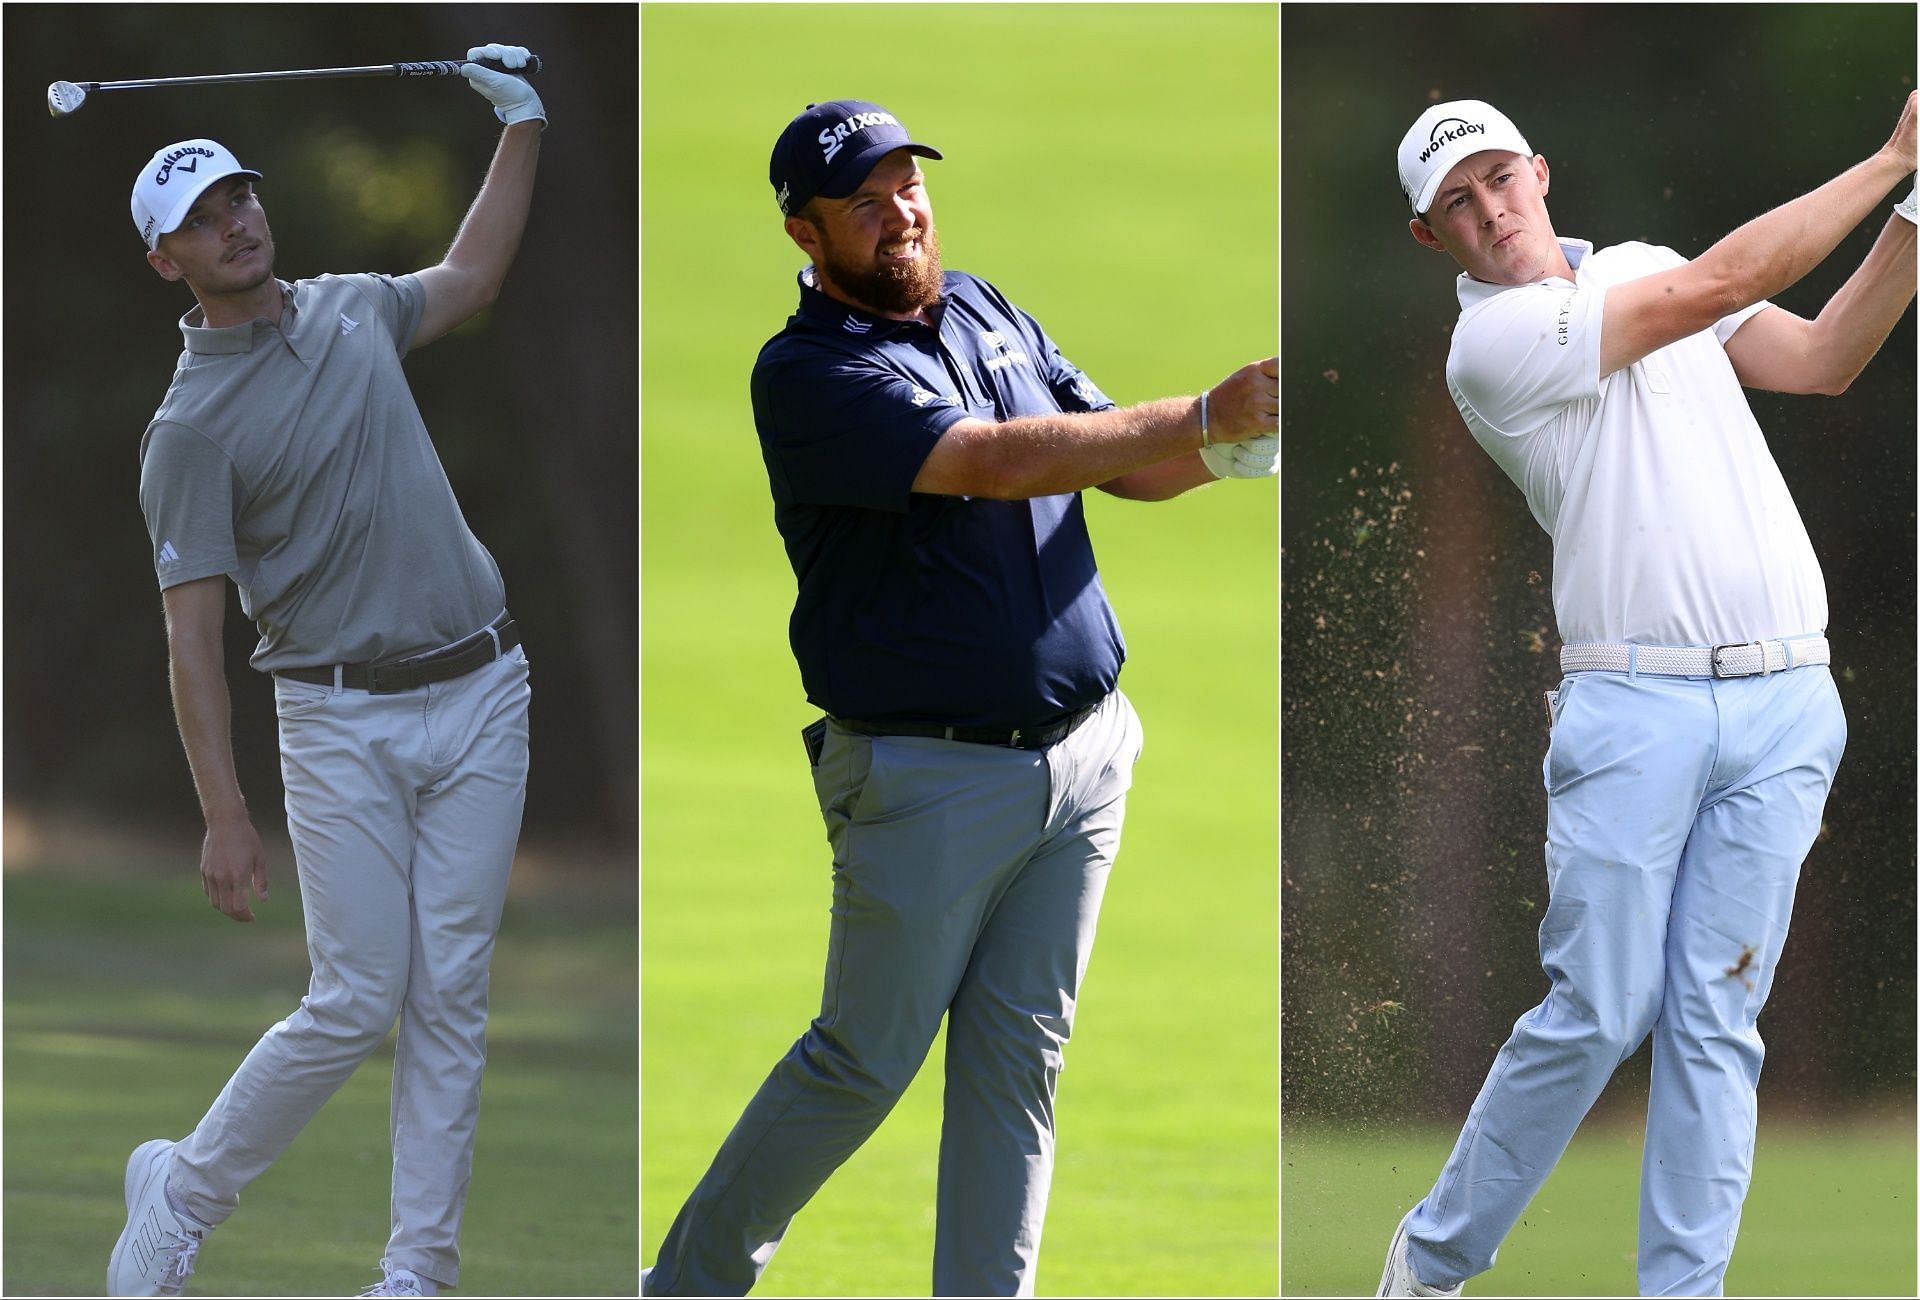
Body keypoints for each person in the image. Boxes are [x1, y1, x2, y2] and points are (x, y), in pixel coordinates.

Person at [642, 100, 1277, 1297]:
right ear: (805, 231)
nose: (901, 215)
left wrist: (1245, 440)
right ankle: (684, 1285)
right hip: (930, 777)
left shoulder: (984, 305)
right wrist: (1204, 410)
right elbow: (990, 462)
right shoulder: (810, 372)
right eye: (864, 203)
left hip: (1086, 758)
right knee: (861, 1061)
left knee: (1019, 1064)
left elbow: (1102, 448)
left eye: (907, 188)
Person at [1376, 94, 1917, 1298]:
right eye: (1456, 204)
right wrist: (1892, 156)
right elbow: (1721, 283)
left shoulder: (1640, 266)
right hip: (1635, 712)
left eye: (1502, 179)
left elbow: (1824, 359)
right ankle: (1433, 1259)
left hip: (1786, 704)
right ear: (1433, 239)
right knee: (1601, 1007)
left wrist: (1915, 211)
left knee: (1720, 1024)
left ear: (1543, 173)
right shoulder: (1494, 345)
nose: (1490, 211)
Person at [107, 44, 547, 1300]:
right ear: (167, 262)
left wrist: (521, 126)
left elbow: (470, 276)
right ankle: (183, 1192)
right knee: (359, 997)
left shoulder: (352, 305)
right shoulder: (188, 431)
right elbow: (192, 638)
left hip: (484, 689)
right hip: (338, 716)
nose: (235, 221)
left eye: (239, 195)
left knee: (451, 993)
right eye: (202, 218)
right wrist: (225, 814)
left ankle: (417, 1274)